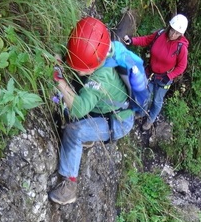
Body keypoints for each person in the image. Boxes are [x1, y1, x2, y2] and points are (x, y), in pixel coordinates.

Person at [49, 17, 135, 206]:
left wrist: (59, 80)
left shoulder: (100, 79)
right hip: (108, 108)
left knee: (73, 131)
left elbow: (79, 109)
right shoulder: (101, 49)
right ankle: (89, 136)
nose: (77, 70)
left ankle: (69, 185)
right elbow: (70, 52)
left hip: (117, 121)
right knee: (78, 93)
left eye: (81, 69)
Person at [123, 14, 189, 131]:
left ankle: (150, 120)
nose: (173, 35)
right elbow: (147, 40)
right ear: (169, 27)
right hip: (151, 73)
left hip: (164, 78)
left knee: (157, 100)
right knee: (145, 95)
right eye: (172, 30)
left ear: (181, 34)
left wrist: (169, 76)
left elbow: (182, 66)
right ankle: (142, 113)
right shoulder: (160, 34)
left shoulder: (181, 48)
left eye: (177, 33)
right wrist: (132, 41)